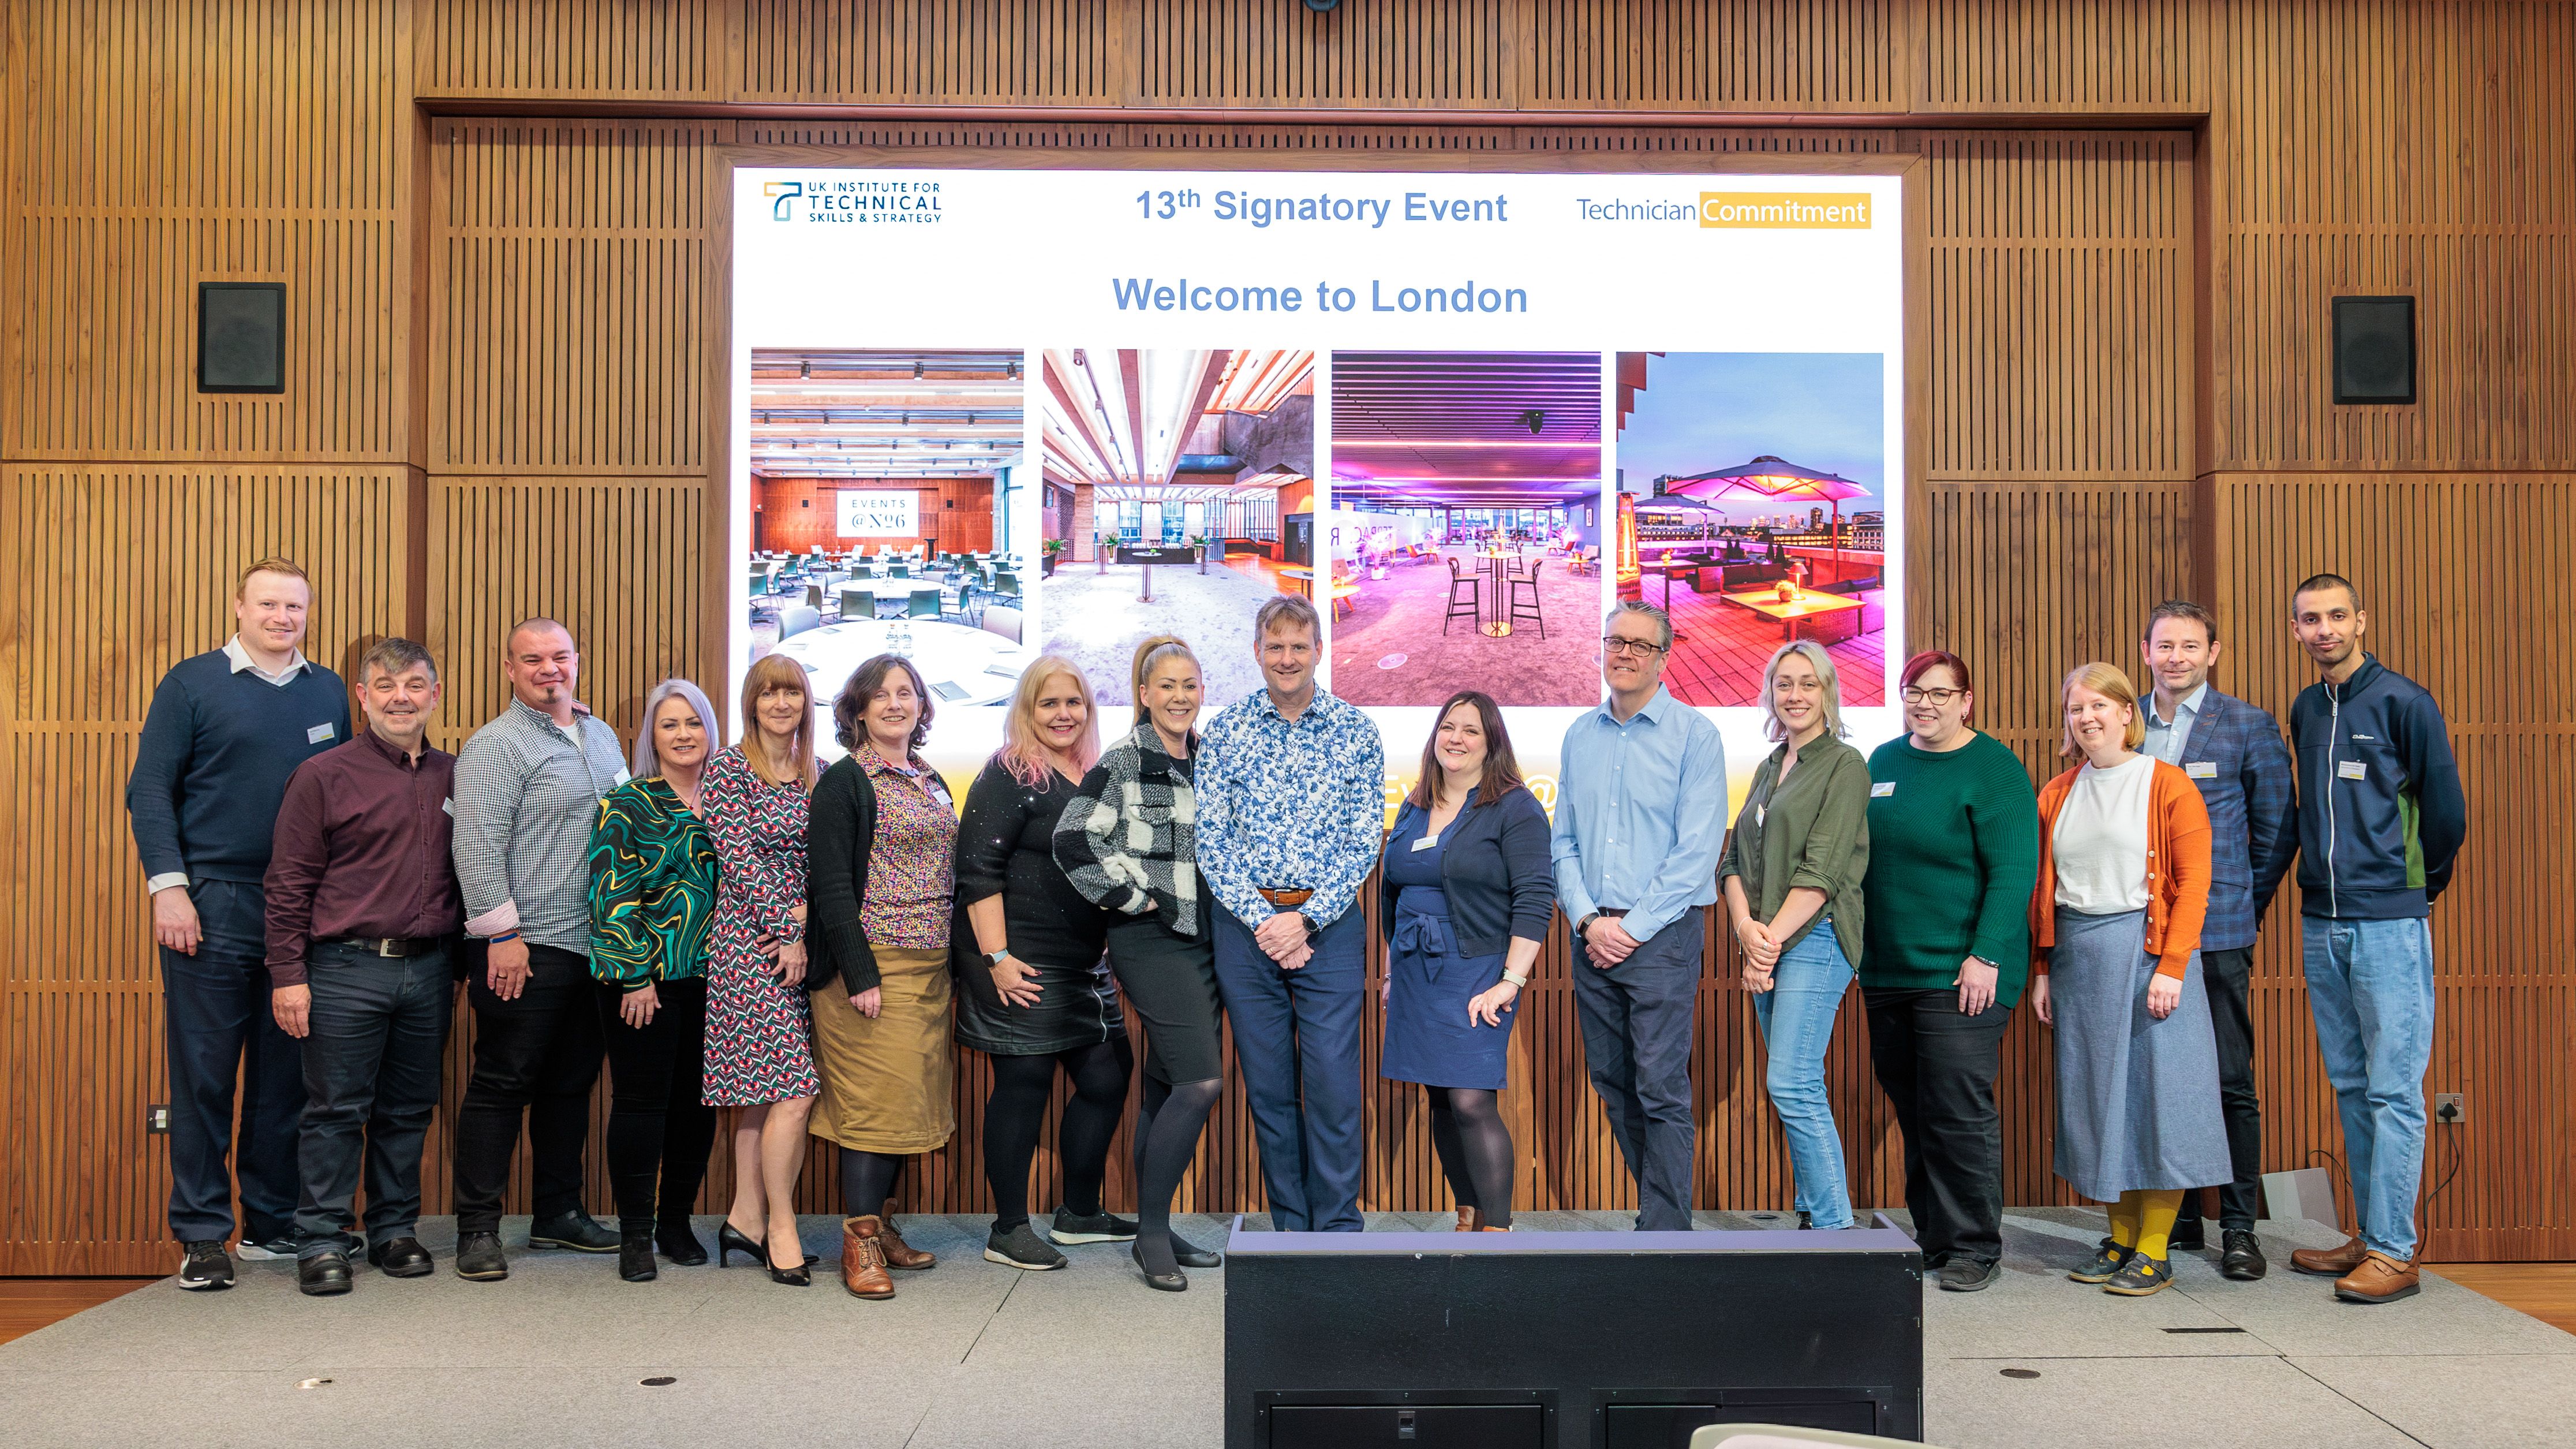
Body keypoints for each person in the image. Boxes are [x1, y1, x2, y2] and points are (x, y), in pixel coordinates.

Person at [126, 558, 350, 1289]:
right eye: (269, 604)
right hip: (212, 902)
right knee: (205, 1078)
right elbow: (150, 789)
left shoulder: (327, 690)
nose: (283, 617)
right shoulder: (191, 683)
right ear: (238, 606)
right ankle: (201, 1234)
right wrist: (169, 886)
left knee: (286, 1077)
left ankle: (272, 1222)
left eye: (295, 606)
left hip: (302, 910)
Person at [2282, 574, 2465, 1305]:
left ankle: (2395, 1250)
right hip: (2320, 919)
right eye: (2307, 619)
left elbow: (2445, 812)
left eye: (2334, 615)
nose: (2322, 628)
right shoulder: (2305, 706)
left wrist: (2412, 887)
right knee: (2352, 1086)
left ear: (2360, 619)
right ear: (2294, 630)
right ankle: (2369, 1233)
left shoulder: (2403, 702)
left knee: (2393, 1090)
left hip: (2389, 920)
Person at [262, 638, 460, 1296]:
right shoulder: (322, 775)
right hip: (345, 969)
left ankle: (393, 1230)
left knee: (408, 1109)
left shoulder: (457, 774)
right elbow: (288, 882)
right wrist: (287, 974)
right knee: (335, 1110)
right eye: (385, 685)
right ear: (363, 695)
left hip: (430, 969)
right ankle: (320, 1237)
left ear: (434, 694)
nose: (400, 696)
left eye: (413, 684)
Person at [2031, 662, 2229, 1298]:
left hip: (2148, 955)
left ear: (2125, 711)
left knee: (2156, 1100)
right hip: (2078, 958)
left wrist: (2171, 965)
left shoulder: (2164, 782)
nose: (2085, 717)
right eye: (2073, 708)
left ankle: (2152, 1248)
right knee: (2095, 1102)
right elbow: (2042, 891)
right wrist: (2041, 968)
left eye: (2097, 705)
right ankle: (2117, 1238)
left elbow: (2194, 881)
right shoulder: (2056, 792)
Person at [1195, 596, 1386, 1233]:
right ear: (1256, 652)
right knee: (1271, 1091)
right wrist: (1265, 921)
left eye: (1297, 646)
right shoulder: (1223, 731)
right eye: (1274, 646)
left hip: (1327, 930)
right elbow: (1212, 842)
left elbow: (1364, 837)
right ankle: (1291, 1229)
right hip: (1245, 931)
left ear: (1318, 652)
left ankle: (1336, 1228)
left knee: (1332, 1085)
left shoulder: (1356, 730)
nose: (1286, 658)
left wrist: (1303, 921)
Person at [449, 619, 626, 1280]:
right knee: (502, 1083)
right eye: (532, 659)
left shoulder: (599, 734)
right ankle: (477, 1227)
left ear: (577, 661)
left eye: (559, 657)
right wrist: (501, 934)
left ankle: (558, 1212)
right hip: (523, 944)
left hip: (594, 944)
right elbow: (474, 845)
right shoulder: (495, 746)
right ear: (509, 667)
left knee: (570, 1085)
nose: (548, 668)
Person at [1859, 651, 2039, 1292]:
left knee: (1956, 1109)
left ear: (1966, 699)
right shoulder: (1880, 762)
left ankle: (1973, 1244)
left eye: (1940, 692)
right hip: (1885, 970)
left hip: (1962, 971)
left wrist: (1985, 953)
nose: (1925, 703)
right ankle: (1933, 1234)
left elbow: (2015, 868)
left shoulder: (1992, 768)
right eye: (1914, 691)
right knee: (1913, 1106)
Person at [955, 657, 1136, 1271]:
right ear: (1027, 710)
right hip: (1021, 960)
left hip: (1085, 965)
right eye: (1048, 703)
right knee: (1023, 1087)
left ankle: (1079, 1212)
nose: (1063, 714)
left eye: (1074, 702)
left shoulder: (1096, 772)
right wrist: (997, 958)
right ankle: (1007, 1228)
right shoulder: (1009, 771)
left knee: (1109, 1077)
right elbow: (977, 870)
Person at [1057, 636, 1227, 1290]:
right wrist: (1132, 897)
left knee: (1164, 1083)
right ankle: (1150, 1235)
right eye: (1168, 686)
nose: (1180, 696)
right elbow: (1072, 838)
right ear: (1145, 693)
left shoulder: (1208, 757)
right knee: (1199, 1082)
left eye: (1190, 684)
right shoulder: (1126, 758)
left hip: (1207, 940)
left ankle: (1155, 1219)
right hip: (1152, 940)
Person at [1551, 601, 1726, 1230]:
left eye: (1639, 645)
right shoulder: (1578, 734)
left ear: (1663, 657)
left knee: (1659, 1087)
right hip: (1591, 934)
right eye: (1613, 642)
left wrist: (1629, 928)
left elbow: (1697, 851)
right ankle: (1658, 1213)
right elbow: (1562, 842)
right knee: (1611, 1081)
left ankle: (1665, 1233)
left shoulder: (1696, 735)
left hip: (1661, 937)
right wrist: (1585, 919)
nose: (1622, 653)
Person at [2138, 600, 2297, 1280]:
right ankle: (2173, 1218)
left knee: (2229, 1079)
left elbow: (2277, 829)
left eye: (2188, 645)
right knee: (2159, 1079)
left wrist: (2243, 902)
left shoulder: (2246, 725)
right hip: (2142, 934)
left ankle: (2237, 1227)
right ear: (2145, 651)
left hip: (2220, 931)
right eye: (2163, 644)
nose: (2175, 656)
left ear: (2213, 651)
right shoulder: (2126, 722)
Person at [807, 654, 958, 1299]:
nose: (895, 703)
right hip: (869, 970)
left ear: (922, 706)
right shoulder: (844, 781)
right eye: (881, 694)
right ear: (859, 709)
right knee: (871, 1109)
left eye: (907, 692)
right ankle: (859, 1242)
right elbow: (832, 886)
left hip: (928, 970)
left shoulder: (929, 780)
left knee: (902, 1106)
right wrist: (859, 972)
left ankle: (884, 1227)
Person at [1378, 692, 1552, 1232]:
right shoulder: (1413, 804)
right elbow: (1392, 894)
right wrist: (1390, 970)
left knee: (1471, 1098)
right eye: (1448, 727)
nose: (1455, 738)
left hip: (1479, 968)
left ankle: (1498, 1233)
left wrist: (1510, 982)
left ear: (1491, 743)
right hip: (1414, 970)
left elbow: (1535, 897)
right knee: (1439, 1095)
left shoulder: (1514, 806)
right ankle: (1467, 1212)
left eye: (1470, 730)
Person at [1722, 641, 1870, 1233]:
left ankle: (1835, 1231)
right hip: (1766, 942)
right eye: (1784, 683)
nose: (1795, 695)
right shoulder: (1766, 766)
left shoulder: (1845, 764)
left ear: (1828, 691)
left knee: (1790, 1081)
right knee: (1796, 1083)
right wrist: (1744, 931)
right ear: (1769, 693)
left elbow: (1822, 870)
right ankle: (1814, 1214)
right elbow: (1733, 860)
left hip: (1816, 938)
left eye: (1808, 683)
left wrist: (1767, 943)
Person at [586, 679, 725, 1283]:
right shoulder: (629, 802)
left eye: (693, 722)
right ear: (651, 736)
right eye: (669, 724)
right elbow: (610, 893)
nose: (683, 734)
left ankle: (676, 1222)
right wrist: (636, 975)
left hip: (718, 980)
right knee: (643, 1104)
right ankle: (635, 1234)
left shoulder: (729, 801)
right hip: (645, 979)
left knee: (698, 1106)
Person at [701, 655, 826, 1286]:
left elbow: (829, 860)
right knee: (794, 1089)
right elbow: (739, 857)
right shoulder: (728, 767)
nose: (781, 703)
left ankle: (743, 1218)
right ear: (751, 701)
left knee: (761, 1096)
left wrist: (806, 920)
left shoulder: (816, 772)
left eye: (792, 693)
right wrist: (787, 927)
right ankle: (782, 1225)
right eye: (769, 693)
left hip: (803, 937)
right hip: (748, 944)